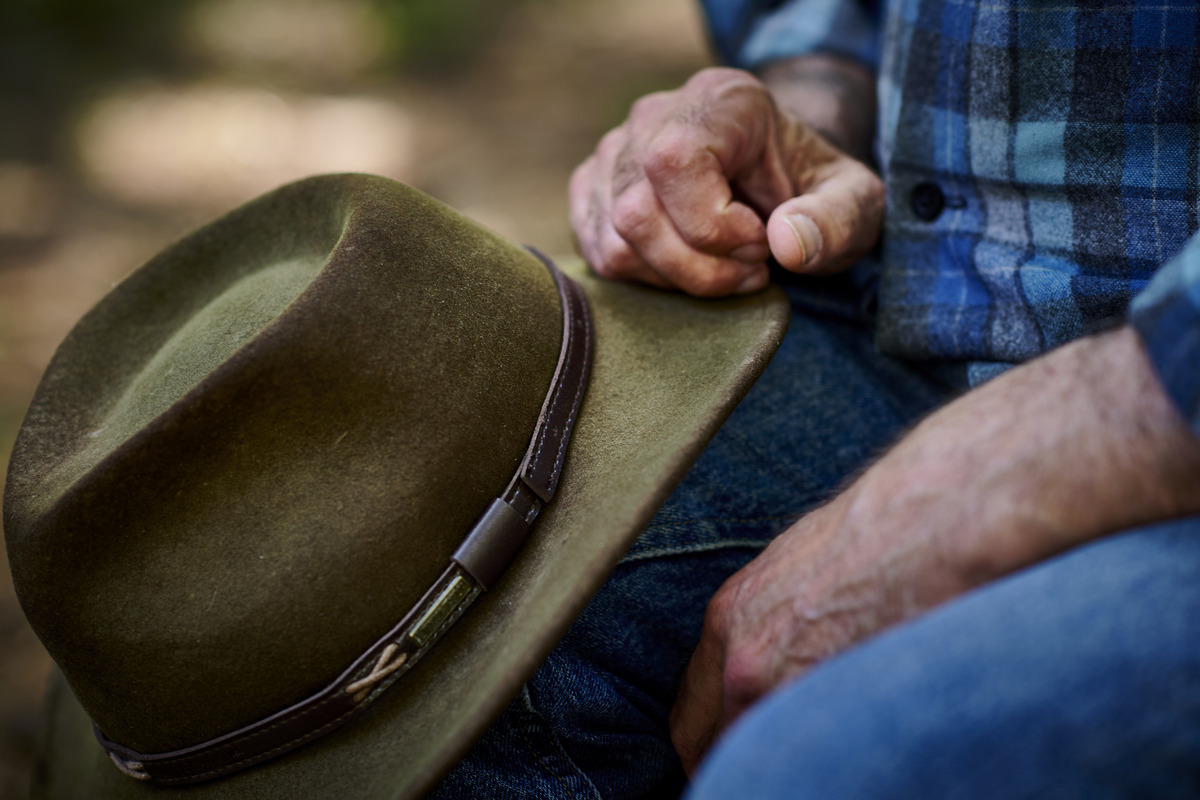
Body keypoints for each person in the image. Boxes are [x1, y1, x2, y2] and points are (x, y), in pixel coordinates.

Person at [433, 0, 1200, 797]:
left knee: (807, 767)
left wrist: (983, 481)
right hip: (883, 310)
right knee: (439, 602)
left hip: (1162, 394)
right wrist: (805, 109)